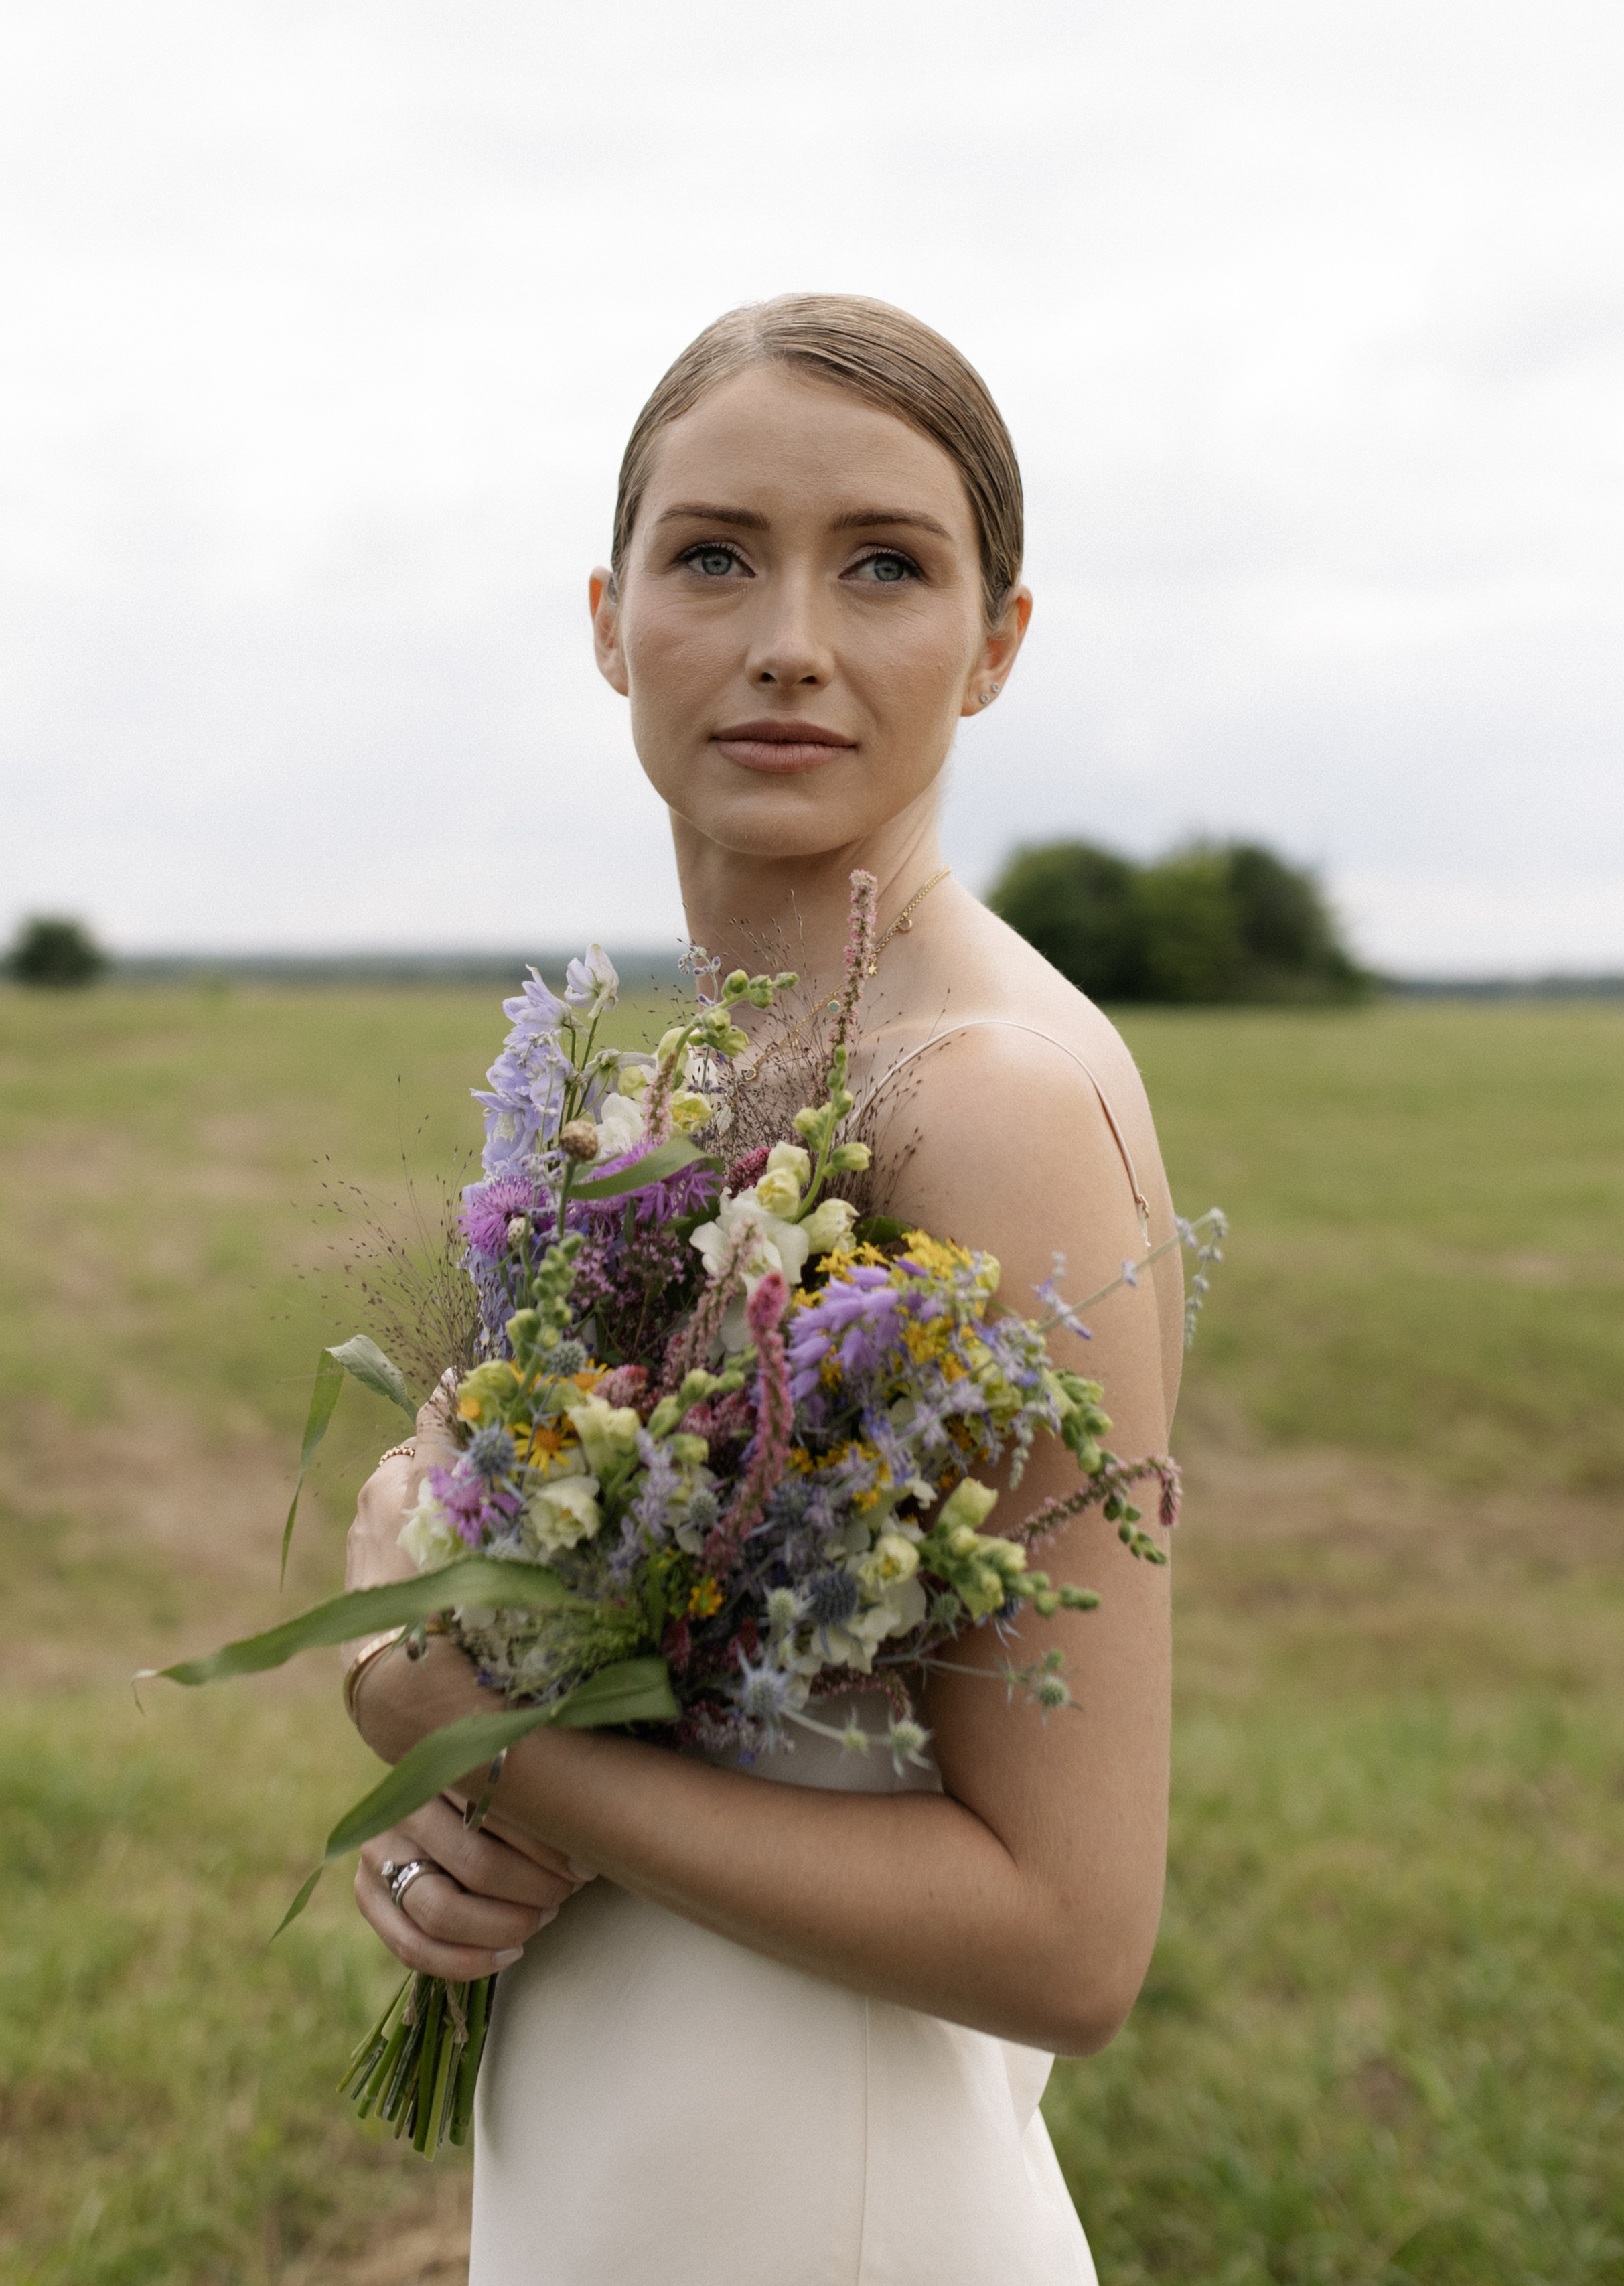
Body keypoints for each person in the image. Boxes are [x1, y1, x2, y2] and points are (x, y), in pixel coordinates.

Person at [341, 295, 1182, 2285]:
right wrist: (450, 1751)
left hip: (831, 2185)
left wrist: (482, 1741)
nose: (790, 639)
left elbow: (1069, 1937)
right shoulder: (688, 1084)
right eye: (714, 556)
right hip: (633, 2137)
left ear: (997, 643)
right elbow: (647, 1681)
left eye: (885, 566)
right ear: (609, 618)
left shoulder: (988, 1099)